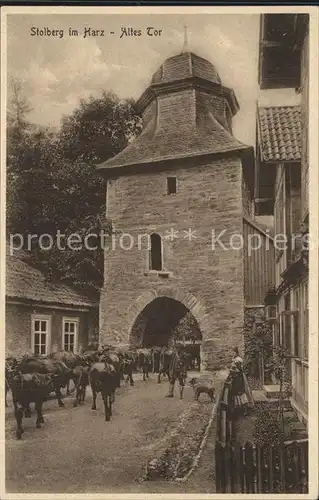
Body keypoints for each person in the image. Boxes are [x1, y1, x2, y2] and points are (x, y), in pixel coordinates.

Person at [228, 347, 254, 416]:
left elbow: (240, 371)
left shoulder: (238, 360)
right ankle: (238, 410)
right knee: (235, 393)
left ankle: (246, 410)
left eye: (233, 352)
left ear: (236, 352)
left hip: (239, 378)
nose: (232, 354)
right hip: (235, 378)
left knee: (241, 392)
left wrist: (233, 370)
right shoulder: (234, 359)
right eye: (231, 352)